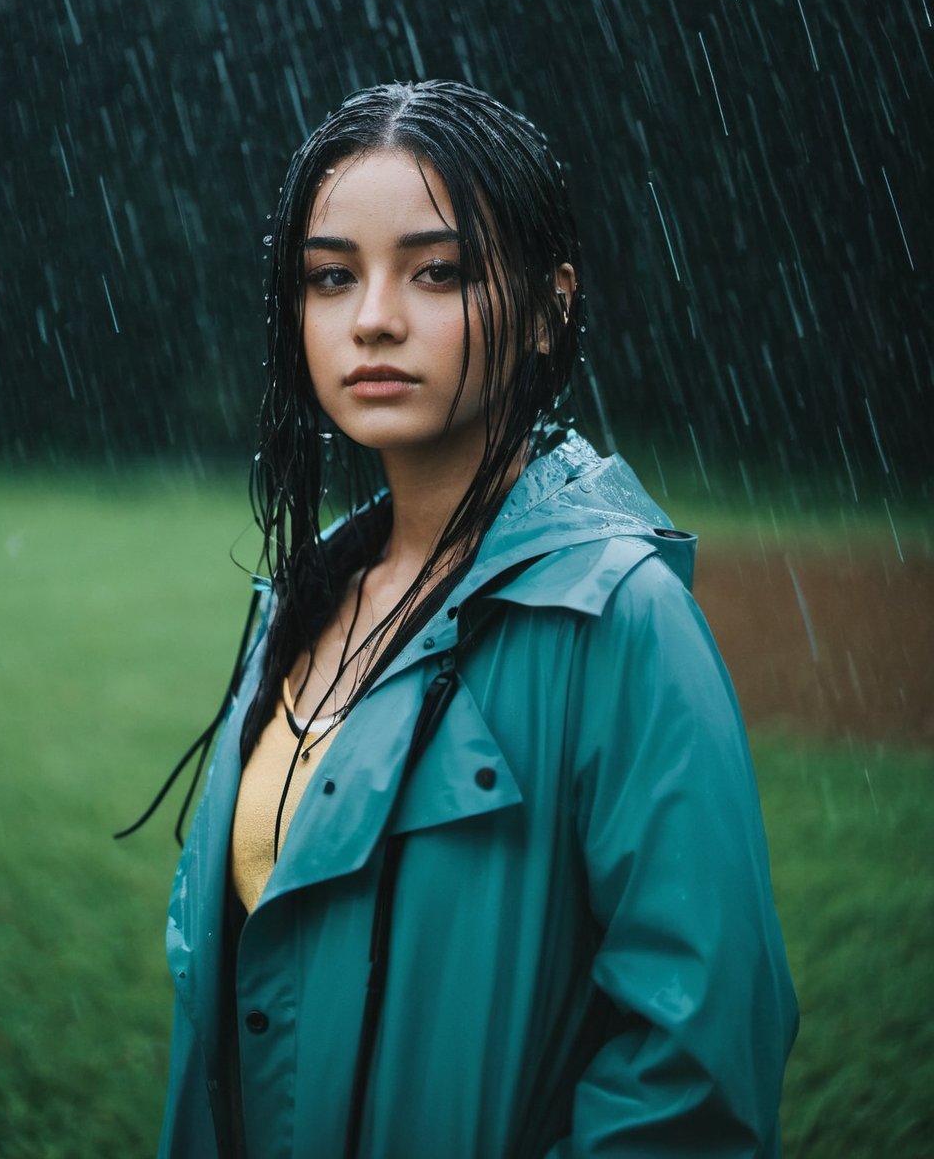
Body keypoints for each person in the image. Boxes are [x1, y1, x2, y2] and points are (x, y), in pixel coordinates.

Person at [144, 79, 798, 1157]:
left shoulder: (618, 621)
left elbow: (698, 1065)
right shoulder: (300, 606)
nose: (373, 318)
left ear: (549, 306)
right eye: (330, 277)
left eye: (436, 271)